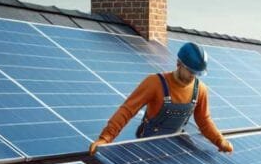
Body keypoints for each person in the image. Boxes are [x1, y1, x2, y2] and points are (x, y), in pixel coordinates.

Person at [89, 42, 233, 155]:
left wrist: (220, 141)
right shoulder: (154, 83)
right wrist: (105, 138)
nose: (193, 76)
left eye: (197, 73)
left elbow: (204, 121)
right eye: (190, 71)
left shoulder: (200, 89)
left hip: (175, 145)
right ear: (179, 63)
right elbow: (127, 110)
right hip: (148, 146)